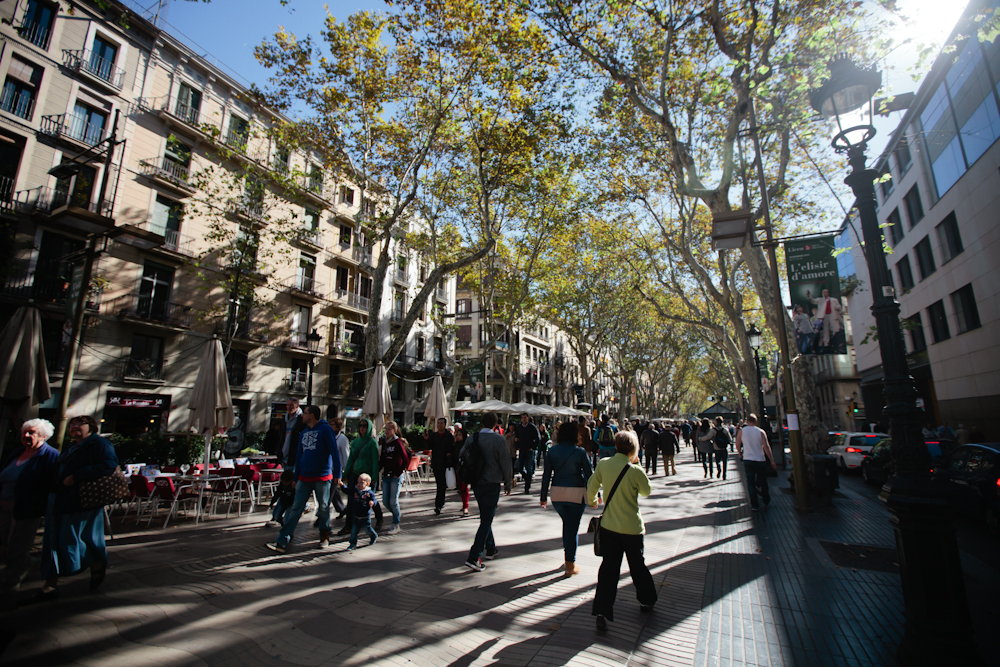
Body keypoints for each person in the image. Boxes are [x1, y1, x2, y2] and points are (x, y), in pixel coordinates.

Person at [38, 415, 118, 600]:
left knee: (75, 539)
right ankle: (50, 584)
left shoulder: (100, 444)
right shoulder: (72, 446)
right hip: (62, 499)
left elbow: (108, 465)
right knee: (55, 539)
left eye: (79, 424)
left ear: (91, 427)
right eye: (71, 424)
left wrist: (77, 475)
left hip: (83, 501)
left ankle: (96, 562)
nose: (74, 427)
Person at [588, 430, 656, 632]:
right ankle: (646, 600)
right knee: (637, 566)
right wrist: (637, 465)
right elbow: (647, 491)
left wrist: (594, 502)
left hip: (609, 526)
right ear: (633, 449)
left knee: (609, 569)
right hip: (632, 528)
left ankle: (601, 610)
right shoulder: (635, 471)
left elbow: (591, 488)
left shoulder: (604, 464)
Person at [266, 405, 341, 554]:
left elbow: (334, 452)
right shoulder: (304, 433)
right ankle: (282, 540)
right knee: (295, 508)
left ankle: (324, 535)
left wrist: (338, 474)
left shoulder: (326, 430)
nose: (302, 416)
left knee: (324, 507)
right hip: (304, 477)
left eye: (305, 413)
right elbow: (299, 456)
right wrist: (296, 477)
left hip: (322, 476)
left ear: (311, 415)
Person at [0, 419, 60, 592]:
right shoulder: (17, 453)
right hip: (4, 503)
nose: (26, 435)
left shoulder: (50, 455)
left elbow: (51, 482)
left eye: (31, 432)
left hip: (26, 507)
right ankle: (26, 562)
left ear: (43, 435)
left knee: (17, 544)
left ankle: (11, 580)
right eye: (24, 432)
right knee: (4, 540)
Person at [540, 421, 594, 577]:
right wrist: (595, 495)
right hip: (576, 493)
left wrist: (543, 496)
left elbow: (546, 476)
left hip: (557, 493)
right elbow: (590, 476)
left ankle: (568, 559)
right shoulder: (580, 452)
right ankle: (570, 564)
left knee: (568, 525)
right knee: (572, 528)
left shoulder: (552, 451)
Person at [462, 411, 513, 572]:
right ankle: (474, 555)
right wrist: (508, 483)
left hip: (477, 482)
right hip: (492, 483)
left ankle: (491, 549)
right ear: (496, 424)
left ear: (482, 422)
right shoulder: (499, 439)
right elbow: (506, 462)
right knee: (487, 519)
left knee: (485, 515)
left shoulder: (473, 438)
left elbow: (463, 456)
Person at [339, 418, 382, 536]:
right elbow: (351, 459)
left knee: (369, 499)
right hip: (355, 474)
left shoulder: (372, 442)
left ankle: (379, 517)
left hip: (366, 475)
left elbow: (375, 462)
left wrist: (374, 478)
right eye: (360, 425)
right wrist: (345, 474)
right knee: (352, 500)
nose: (362, 427)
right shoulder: (355, 442)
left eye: (364, 425)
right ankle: (348, 525)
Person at [736, 414, 777, 511]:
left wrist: (740, 454)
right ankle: (766, 499)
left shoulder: (742, 431)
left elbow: (738, 444)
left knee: (750, 482)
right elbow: (766, 447)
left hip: (748, 459)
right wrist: (771, 460)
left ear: (747, 421)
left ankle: (754, 504)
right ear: (755, 421)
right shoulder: (760, 431)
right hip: (760, 459)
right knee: (763, 481)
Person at [378, 421, 410, 534]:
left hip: (396, 475)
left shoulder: (397, 442)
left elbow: (405, 458)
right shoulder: (385, 442)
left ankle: (395, 522)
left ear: (394, 431)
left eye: (389, 429)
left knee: (393, 500)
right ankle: (396, 514)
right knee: (385, 501)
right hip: (386, 474)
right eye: (386, 429)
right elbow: (383, 458)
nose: (387, 431)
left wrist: (398, 472)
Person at [427, 418, 455, 515]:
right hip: (436, 463)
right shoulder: (433, 436)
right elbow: (429, 447)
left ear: (445, 424)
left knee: (441, 485)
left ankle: (439, 504)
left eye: (441, 423)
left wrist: (449, 454)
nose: (439, 425)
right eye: (438, 423)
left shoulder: (449, 436)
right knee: (439, 484)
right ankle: (439, 503)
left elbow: (452, 448)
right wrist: (426, 439)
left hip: (445, 464)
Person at [806, 289, 844, 353]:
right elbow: (813, 300)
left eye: (825, 292)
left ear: (828, 293)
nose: (824, 293)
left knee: (836, 329)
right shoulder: (820, 300)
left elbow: (839, 306)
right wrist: (809, 296)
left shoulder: (834, 300)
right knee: (826, 330)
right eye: (823, 292)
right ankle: (826, 345)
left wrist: (838, 308)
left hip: (833, 315)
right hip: (825, 316)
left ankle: (836, 343)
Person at [346, 473, 378, 551]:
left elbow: (374, 499)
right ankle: (352, 544)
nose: (359, 484)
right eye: (358, 482)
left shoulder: (369, 493)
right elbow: (347, 490)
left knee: (367, 529)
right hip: (356, 516)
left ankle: (373, 535)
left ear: (367, 484)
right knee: (354, 531)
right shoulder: (355, 491)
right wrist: (342, 485)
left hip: (365, 517)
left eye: (361, 482)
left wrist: (372, 502)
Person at [514, 413, 540, 494]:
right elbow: (516, 438)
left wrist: (533, 447)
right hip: (522, 450)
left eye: (525, 417)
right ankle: (527, 478)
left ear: (528, 418)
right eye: (522, 417)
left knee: (529, 468)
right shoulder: (519, 427)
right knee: (520, 467)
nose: (523, 419)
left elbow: (537, 438)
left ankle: (527, 487)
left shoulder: (532, 427)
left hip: (529, 451)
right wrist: (517, 446)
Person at [330, 418, 351, 519]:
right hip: (329, 468)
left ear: (338, 427)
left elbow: (346, 455)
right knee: (333, 492)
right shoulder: (329, 436)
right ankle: (342, 509)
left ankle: (320, 516)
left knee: (329, 492)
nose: (331, 426)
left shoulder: (342, 439)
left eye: (333, 425)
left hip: (336, 469)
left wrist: (345, 470)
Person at [279, 398, 307, 468]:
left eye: (291, 405)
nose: (289, 407)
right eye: (287, 405)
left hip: (295, 458)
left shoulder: (302, 420)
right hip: (283, 457)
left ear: (297, 406)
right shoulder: (284, 419)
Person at [449, 426, 470, 516]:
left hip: (464, 469)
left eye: (459, 435)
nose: (457, 436)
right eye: (456, 434)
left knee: (464, 487)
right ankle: (464, 504)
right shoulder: (455, 445)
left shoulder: (466, 446)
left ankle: (466, 506)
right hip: (456, 468)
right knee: (460, 487)